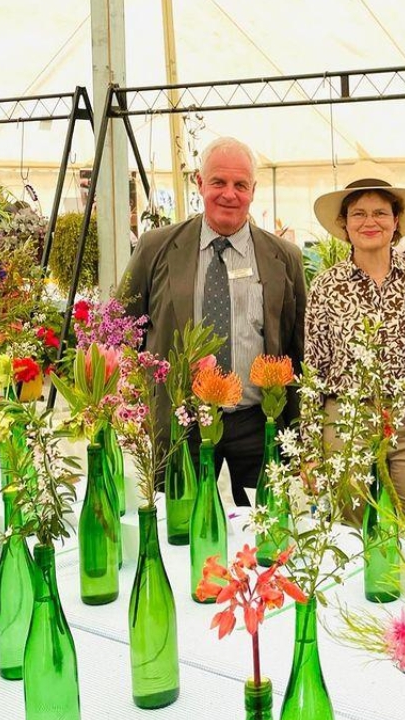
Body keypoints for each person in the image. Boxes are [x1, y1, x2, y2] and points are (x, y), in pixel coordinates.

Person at [118, 136, 306, 506]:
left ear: (253, 190)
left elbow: (298, 347)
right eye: (218, 182)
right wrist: (135, 403)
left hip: (258, 424)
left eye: (240, 185)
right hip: (179, 425)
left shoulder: (284, 257)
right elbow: (123, 328)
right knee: (180, 531)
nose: (229, 195)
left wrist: (297, 431)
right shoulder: (156, 248)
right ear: (200, 184)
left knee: (264, 537)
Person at [307, 178, 405, 517]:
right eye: (359, 214)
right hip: (348, 417)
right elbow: (314, 368)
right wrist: (311, 450)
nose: (370, 222)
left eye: (380, 213)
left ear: (396, 221)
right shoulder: (326, 286)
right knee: (352, 521)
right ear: (344, 223)